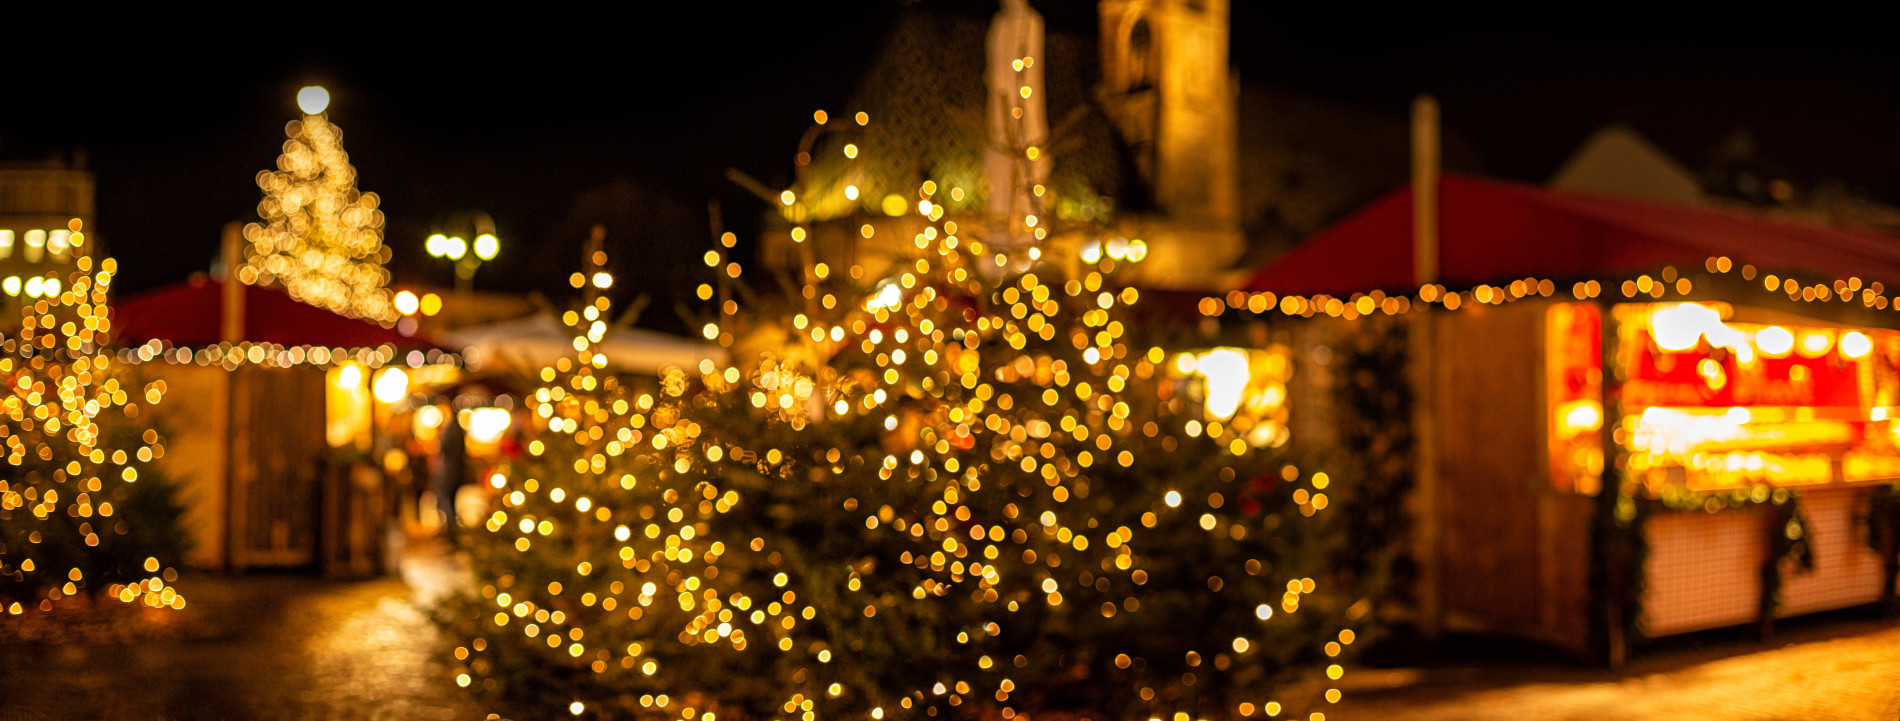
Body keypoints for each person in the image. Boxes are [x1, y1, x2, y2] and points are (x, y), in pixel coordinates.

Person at [433, 400, 468, 545]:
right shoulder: (456, 427)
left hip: (451, 471)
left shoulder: (452, 428)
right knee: (450, 501)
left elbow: (445, 448)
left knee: (449, 501)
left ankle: (451, 534)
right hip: (453, 470)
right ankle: (450, 531)